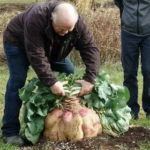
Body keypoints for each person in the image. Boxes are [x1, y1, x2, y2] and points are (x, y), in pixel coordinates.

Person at [1, 1, 100, 147]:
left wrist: (90, 78)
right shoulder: (36, 17)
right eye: (61, 29)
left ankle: (55, 121)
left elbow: (90, 48)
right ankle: (10, 132)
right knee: (17, 82)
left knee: (69, 74)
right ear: (52, 19)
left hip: (51, 48)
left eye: (69, 30)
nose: (66, 32)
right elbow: (36, 54)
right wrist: (52, 82)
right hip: (18, 43)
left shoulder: (77, 23)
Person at [114, 0, 150, 120]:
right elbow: (119, 2)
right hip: (128, 32)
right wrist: (127, 19)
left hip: (149, 33)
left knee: (148, 70)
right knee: (129, 72)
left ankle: (149, 109)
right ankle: (131, 110)